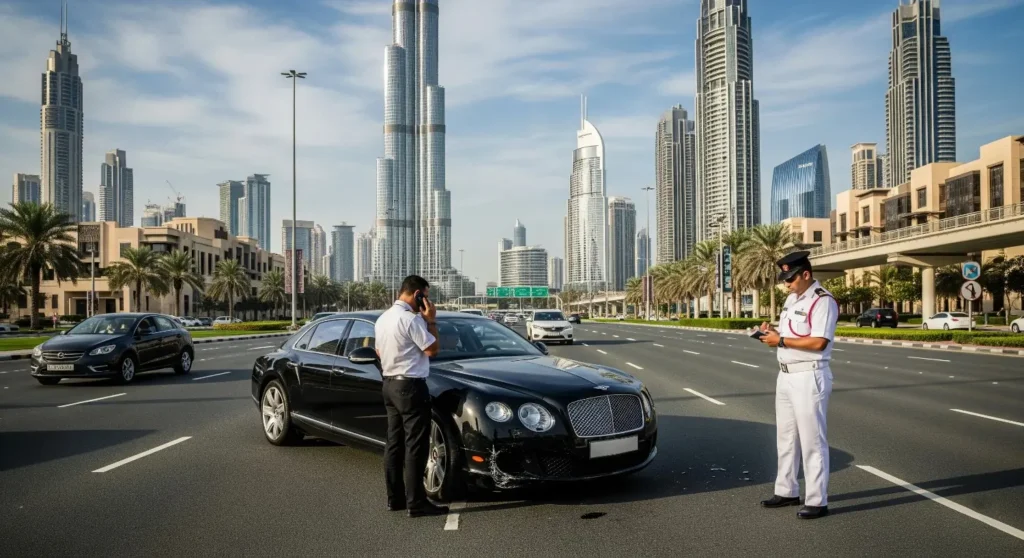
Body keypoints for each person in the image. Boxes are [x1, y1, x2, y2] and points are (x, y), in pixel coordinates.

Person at [757, 251, 839, 520]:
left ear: (806, 274)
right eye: (784, 278)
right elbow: (792, 336)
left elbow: (818, 342)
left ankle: (817, 500)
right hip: (786, 375)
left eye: (790, 278)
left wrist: (780, 342)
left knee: (812, 441)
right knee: (786, 437)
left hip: (808, 376)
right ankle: (787, 490)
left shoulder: (823, 301)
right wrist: (772, 335)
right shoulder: (792, 299)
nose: (786, 283)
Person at [374, 275, 448, 518]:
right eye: (425, 296)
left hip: (389, 385)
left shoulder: (383, 319)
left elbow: (378, 350)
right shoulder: (410, 319)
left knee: (393, 444)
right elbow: (432, 349)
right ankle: (416, 503)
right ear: (417, 294)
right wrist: (431, 321)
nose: (426, 300)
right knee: (415, 447)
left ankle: (394, 499)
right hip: (410, 387)